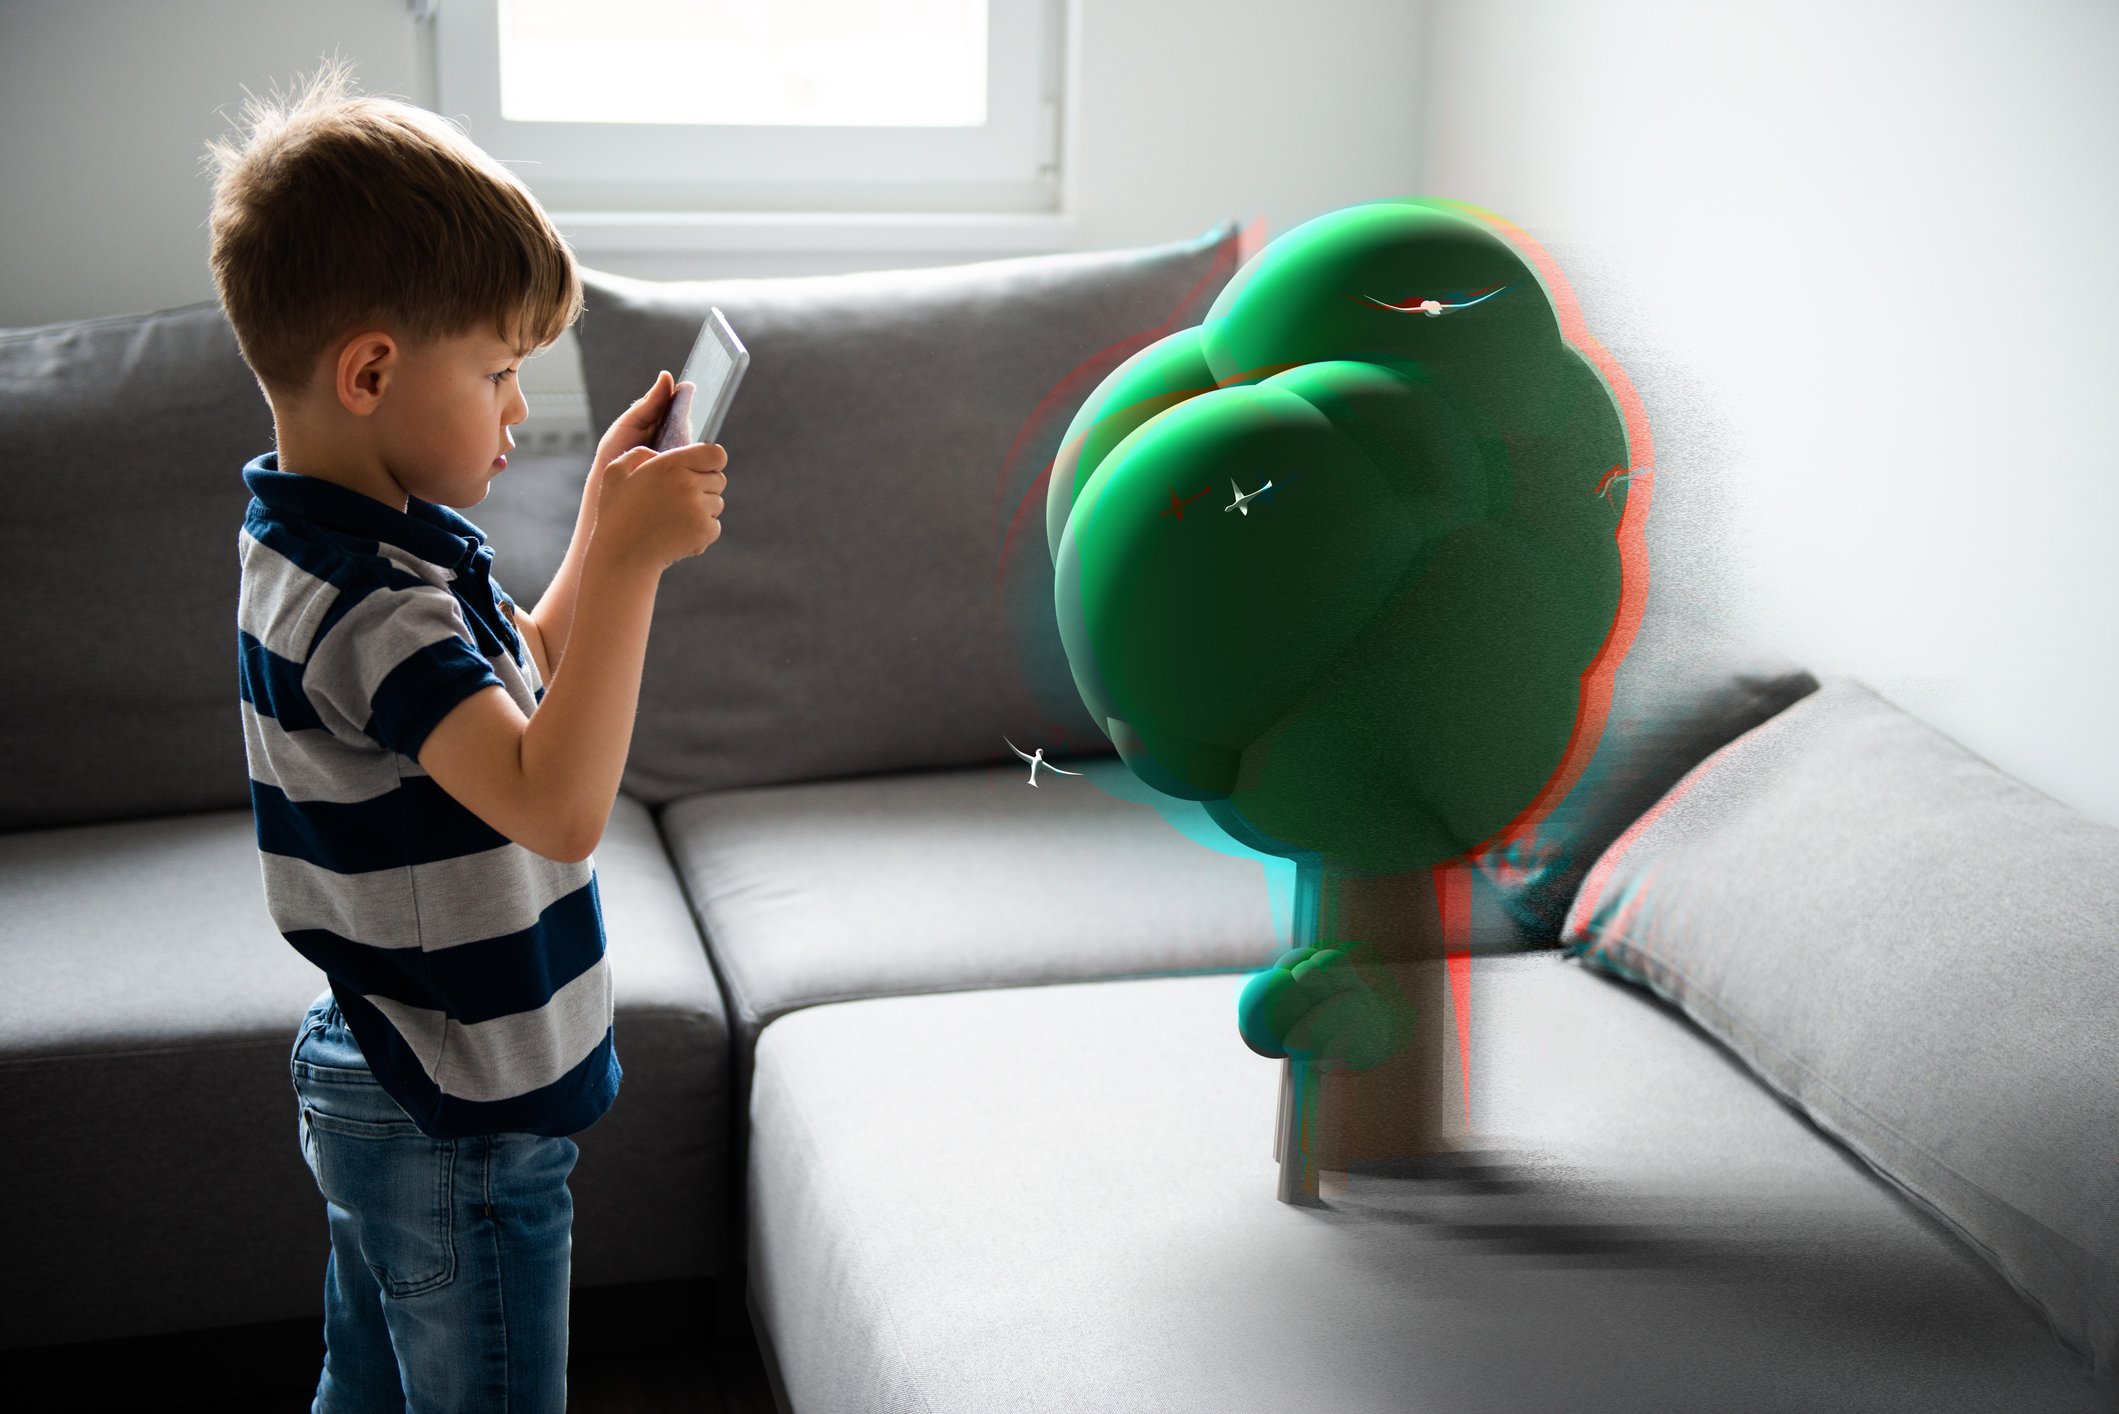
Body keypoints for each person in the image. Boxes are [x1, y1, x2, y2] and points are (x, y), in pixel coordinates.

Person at [207, 55, 728, 1412]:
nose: (517, 412)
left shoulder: (334, 542)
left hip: (384, 1058)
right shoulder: (372, 605)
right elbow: (550, 801)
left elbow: (513, 678)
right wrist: (632, 574)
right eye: (500, 371)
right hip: (456, 1116)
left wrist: (602, 534)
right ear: (372, 369)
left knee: (371, 1387)